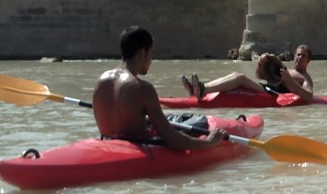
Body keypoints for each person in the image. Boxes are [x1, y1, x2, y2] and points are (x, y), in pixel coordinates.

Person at [92, 26, 227, 150]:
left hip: (108, 144)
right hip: (140, 148)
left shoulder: (100, 81)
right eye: (151, 53)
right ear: (142, 53)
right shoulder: (142, 88)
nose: (151, 60)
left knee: (165, 120)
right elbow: (173, 141)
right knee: (199, 124)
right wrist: (209, 142)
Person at [181, 44, 314, 103]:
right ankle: (199, 87)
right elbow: (259, 76)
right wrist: (261, 64)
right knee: (236, 74)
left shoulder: (305, 78)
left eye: (303, 56)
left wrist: (290, 82)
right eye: (298, 55)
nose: (299, 58)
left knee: (240, 78)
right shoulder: (285, 69)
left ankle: (203, 90)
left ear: (308, 60)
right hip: (266, 87)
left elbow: (308, 97)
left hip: (274, 94)